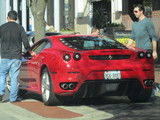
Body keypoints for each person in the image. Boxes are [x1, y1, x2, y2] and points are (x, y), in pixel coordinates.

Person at [0, 10, 36, 102]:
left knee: (2, 75)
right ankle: (13, 98)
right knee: (14, 77)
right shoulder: (20, 28)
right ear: (16, 19)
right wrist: (30, 51)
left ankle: (1, 92)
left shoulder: (2, 27)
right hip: (16, 56)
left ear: (8, 18)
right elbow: (25, 41)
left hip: (5, 55)